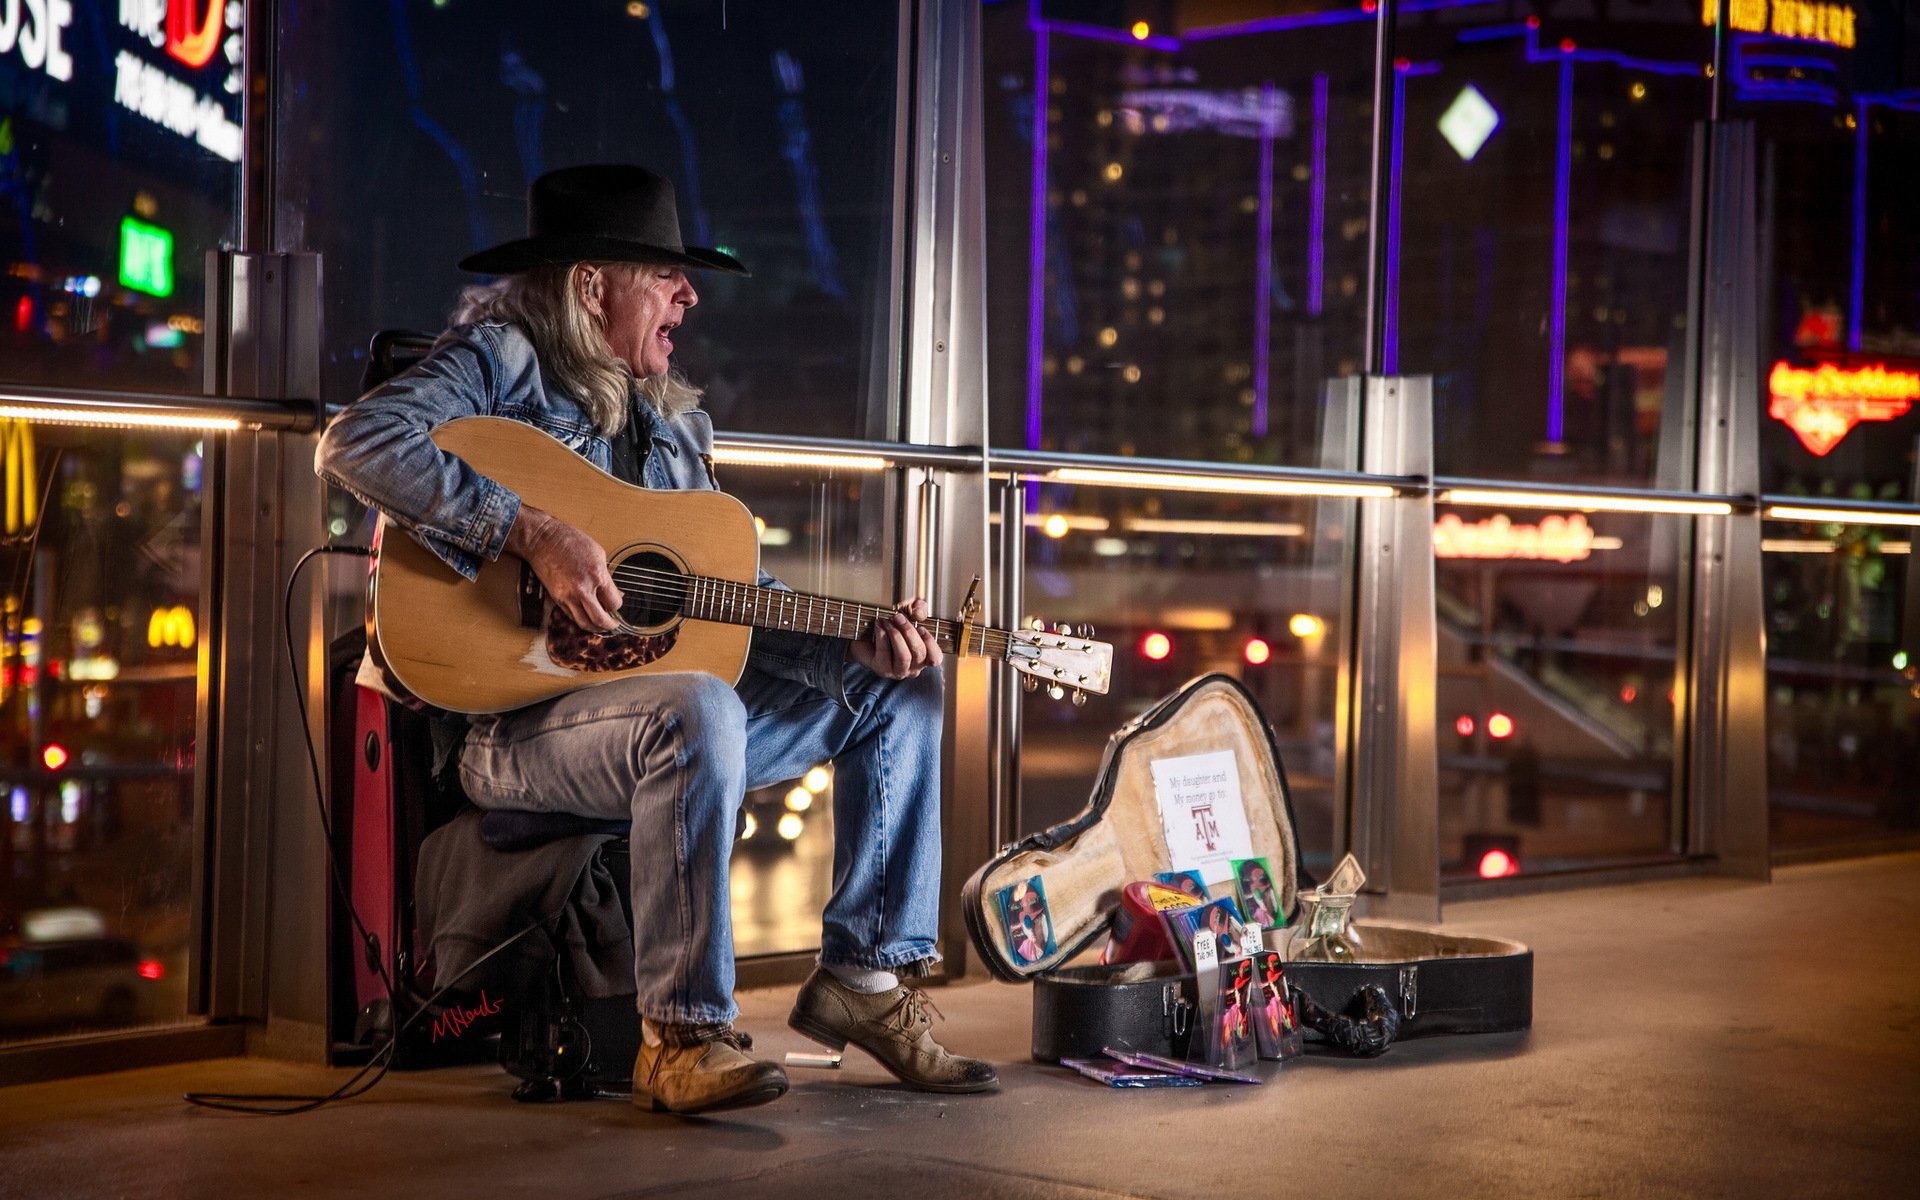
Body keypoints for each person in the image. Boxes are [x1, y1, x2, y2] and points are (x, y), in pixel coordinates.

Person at [316, 164, 996, 1114]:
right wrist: (532, 532)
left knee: (901, 692)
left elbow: (730, 607)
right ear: (590, 284)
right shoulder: (503, 359)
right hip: (512, 737)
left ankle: (867, 980)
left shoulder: (678, 429)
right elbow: (358, 440)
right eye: (663, 274)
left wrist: (853, 647)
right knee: (699, 706)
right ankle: (680, 1037)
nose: (690, 293)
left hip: (662, 721)